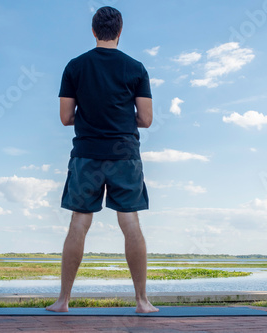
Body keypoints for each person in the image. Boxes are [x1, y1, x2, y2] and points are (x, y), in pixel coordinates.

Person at [46, 6, 159, 314]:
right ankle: (142, 301)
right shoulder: (136, 68)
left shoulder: (75, 66)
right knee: (130, 222)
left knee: (79, 223)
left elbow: (66, 117)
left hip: (86, 155)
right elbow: (146, 119)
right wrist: (120, 116)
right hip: (124, 155)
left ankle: (63, 301)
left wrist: (93, 114)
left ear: (94, 31)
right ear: (120, 32)